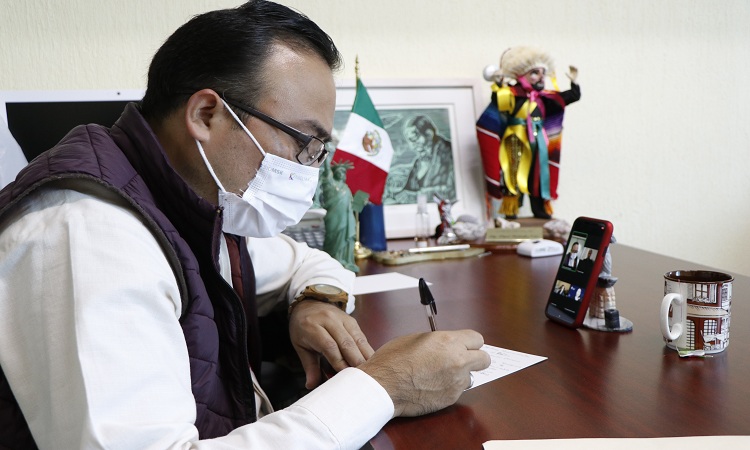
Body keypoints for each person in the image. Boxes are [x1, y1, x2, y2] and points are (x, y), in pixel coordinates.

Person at [0, 2, 490, 449]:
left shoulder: (189, 204)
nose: (308, 168)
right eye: (302, 142)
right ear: (206, 114)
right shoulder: (91, 237)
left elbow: (308, 262)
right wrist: (386, 386)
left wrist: (312, 303)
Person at [477, 46, 581, 219]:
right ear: (521, 75)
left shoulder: (545, 98)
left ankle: (539, 208)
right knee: (513, 173)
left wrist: (574, 83)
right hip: (515, 140)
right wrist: (499, 85)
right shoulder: (512, 94)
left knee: (539, 173)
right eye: (535, 73)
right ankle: (511, 208)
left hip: (539, 141)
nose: (541, 77)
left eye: (543, 73)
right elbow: (499, 102)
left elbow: (570, 97)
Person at [390, 114, 455, 204]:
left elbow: (451, 192)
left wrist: (414, 197)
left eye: (414, 139)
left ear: (429, 134)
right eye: (409, 142)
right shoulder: (418, 163)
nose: (412, 146)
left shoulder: (451, 153)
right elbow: (407, 191)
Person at [320, 159, 358, 272]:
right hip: (334, 217)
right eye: (339, 171)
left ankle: (346, 261)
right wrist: (325, 156)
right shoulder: (331, 183)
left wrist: (361, 202)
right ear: (334, 173)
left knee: (347, 239)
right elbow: (327, 171)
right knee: (333, 238)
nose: (341, 173)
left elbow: (351, 204)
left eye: (343, 172)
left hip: (347, 218)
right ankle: (333, 261)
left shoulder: (346, 188)